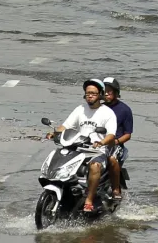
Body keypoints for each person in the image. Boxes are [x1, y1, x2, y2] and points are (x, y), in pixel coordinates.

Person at [48, 79, 117, 213]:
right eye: (87, 93)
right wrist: (54, 133)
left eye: (93, 93)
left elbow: (111, 135)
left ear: (100, 95)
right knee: (59, 158)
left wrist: (102, 142)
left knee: (95, 166)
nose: (90, 96)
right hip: (77, 147)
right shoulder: (80, 109)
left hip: (96, 150)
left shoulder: (108, 113)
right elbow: (66, 126)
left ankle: (89, 200)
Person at [101, 78, 133, 203]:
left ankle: (116, 189)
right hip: (98, 143)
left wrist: (115, 142)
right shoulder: (99, 108)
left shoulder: (125, 110)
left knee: (112, 159)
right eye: (104, 91)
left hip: (115, 145)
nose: (106, 94)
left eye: (109, 91)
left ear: (116, 93)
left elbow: (128, 135)